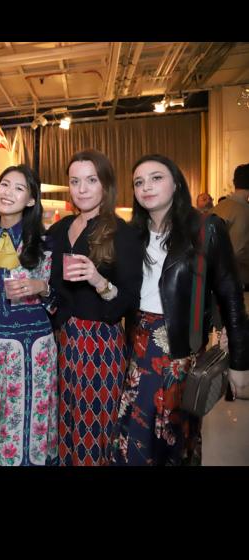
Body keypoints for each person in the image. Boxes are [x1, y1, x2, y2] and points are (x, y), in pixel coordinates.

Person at [111, 154, 249, 465]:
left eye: (156, 178)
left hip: (181, 349)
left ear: (176, 183)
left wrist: (240, 362)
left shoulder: (207, 228)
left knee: (176, 437)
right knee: (133, 436)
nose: (146, 186)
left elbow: (230, 295)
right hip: (137, 345)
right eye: (138, 182)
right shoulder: (132, 234)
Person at [48, 149, 143, 466]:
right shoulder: (60, 229)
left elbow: (129, 300)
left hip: (101, 344)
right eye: (75, 181)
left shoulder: (121, 233)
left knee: (95, 424)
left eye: (91, 180)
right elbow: (49, 281)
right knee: (67, 418)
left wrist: (99, 281)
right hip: (65, 341)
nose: (82, 189)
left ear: (106, 184)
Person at [0, 165, 58, 466]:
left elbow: (60, 302)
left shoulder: (44, 242)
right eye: (4, 184)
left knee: (30, 420)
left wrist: (42, 286)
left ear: (31, 200)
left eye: (19, 188)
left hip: (34, 349)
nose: (9, 192)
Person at [212, 163, 249, 307]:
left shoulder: (219, 206)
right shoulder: (244, 211)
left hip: (216, 278)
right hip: (237, 281)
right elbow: (238, 251)